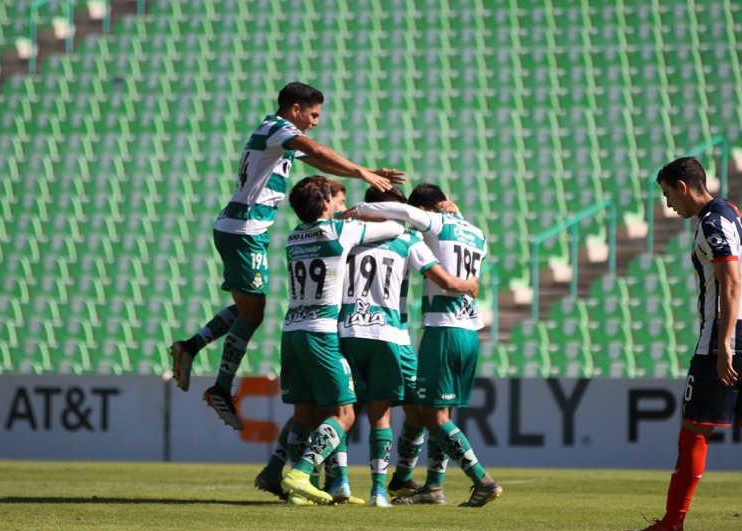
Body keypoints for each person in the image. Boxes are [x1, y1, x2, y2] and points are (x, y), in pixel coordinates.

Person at [168, 82, 404, 431]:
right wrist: (361, 173)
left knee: (248, 307)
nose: (316, 121)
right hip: (244, 230)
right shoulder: (280, 129)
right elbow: (317, 148)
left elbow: (318, 159)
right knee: (254, 313)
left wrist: (364, 170)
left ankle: (190, 346)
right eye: (313, 114)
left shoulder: (277, 136)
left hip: (244, 229)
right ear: (295, 109)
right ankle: (219, 386)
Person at [343, 182, 502, 508]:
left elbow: (401, 212)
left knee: (434, 416)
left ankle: (481, 479)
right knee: (436, 411)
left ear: (425, 210)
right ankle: (431, 485)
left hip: (443, 328)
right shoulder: (479, 234)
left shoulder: (435, 223)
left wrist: (358, 210)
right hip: (470, 330)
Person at [623, 156, 742, 531]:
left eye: (667, 194)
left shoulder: (712, 222)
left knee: (694, 430)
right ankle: (671, 524)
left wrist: (724, 343)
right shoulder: (731, 213)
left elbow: (731, 283)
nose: (668, 203)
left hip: (721, 340)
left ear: (683, 186)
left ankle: (672, 525)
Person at [278, 176, 406, 505]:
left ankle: (297, 492)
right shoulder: (340, 231)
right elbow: (394, 229)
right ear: (323, 204)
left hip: (291, 330)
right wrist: (363, 210)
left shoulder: (292, 237)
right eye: (333, 200)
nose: (338, 204)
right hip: (321, 333)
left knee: (304, 413)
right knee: (344, 413)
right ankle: (301, 473)